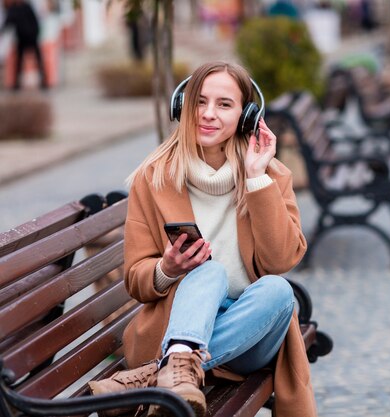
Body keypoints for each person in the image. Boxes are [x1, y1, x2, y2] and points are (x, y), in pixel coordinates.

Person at [87, 61, 316, 417]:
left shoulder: (270, 175)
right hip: (179, 322)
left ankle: (158, 373)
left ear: (247, 116)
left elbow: (281, 260)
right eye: (200, 102)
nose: (208, 114)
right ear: (183, 106)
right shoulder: (154, 177)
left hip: (249, 331)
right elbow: (136, 280)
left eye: (224, 104)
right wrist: (165, 269)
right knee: (210, 273)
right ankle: (178, 364)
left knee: (279, 290)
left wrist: (256, 179)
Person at [0, 0, 47, 90]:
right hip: (22, 39)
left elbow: (35, 21)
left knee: (38, 59)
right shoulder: (13, 9)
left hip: (31, 37)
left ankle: (44, 81)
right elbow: (7, 22)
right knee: (19, 61)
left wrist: (35, 34)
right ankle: (16, 84)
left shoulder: (26, 7)